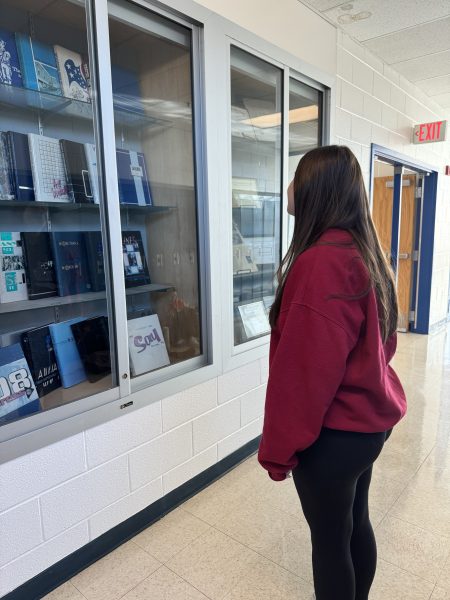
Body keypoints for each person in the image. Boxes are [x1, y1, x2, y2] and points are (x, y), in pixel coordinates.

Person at [258, 145, 406, 600]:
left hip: (335, 437)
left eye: (295, 179)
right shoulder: (363, 252)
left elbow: (302, 379)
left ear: (314, 191)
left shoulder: (320, 262)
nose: (288, 189)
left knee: (329, 545)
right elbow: (384, 345)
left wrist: (277, 452)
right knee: (353, 524)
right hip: (367, 428)